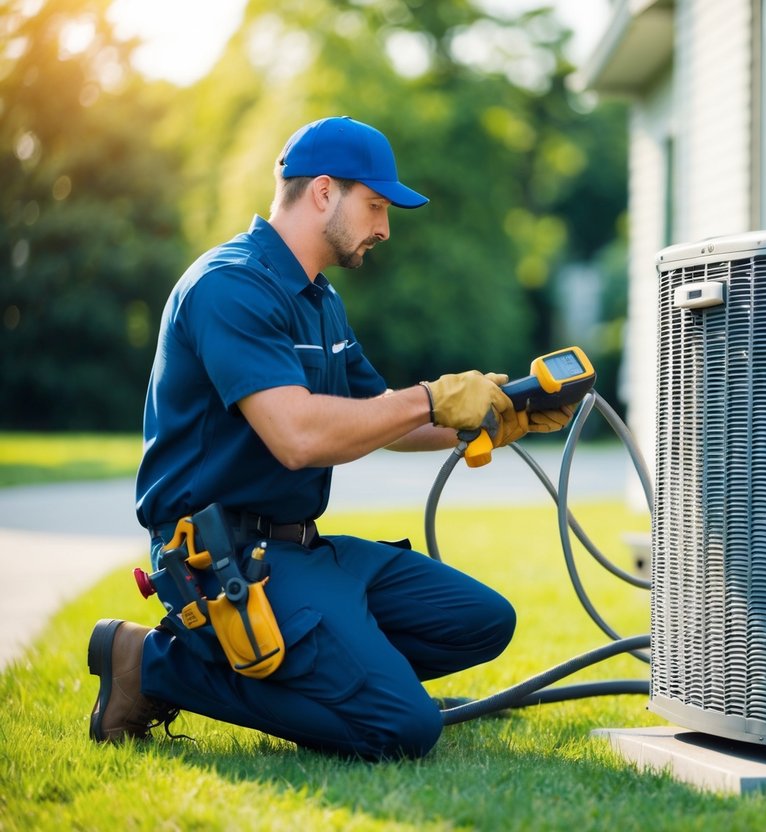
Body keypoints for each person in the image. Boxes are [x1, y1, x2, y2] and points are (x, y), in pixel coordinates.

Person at [87, 116, 572, 759]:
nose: (384, 228)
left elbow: (381, 413)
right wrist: (431, 396)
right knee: (405, 730)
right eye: (375, 206)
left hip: (303, 550)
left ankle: (357, 683)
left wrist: (490, 418)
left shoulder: (320, 299)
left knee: (482, 621)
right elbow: (296, 436)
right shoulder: (228, 287)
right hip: (224, 560)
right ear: (323, 193)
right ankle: (147, 664)